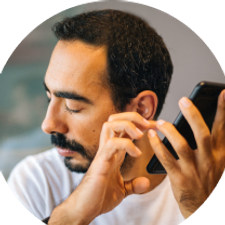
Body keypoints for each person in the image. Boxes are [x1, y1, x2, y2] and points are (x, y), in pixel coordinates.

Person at [7, 9, 225, 225]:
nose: (48, 125)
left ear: (141, 109)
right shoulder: (37, 180)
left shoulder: (206, 184)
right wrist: (72, 215)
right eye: (49, 98)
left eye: (73, 106)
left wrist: (196, 206)